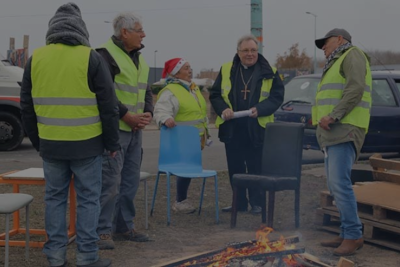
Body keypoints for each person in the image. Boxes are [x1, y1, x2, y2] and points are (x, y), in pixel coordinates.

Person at [20, 3, 120, 267]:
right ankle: (87, 257)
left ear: (52, 29)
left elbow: (26, 107)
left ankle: (55, 257)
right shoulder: (91, 57)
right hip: (87, 146)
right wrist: (112, 143)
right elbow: (108, 106)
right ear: (81, 28)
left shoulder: (36, 59)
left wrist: (38, 141)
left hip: (51, 146)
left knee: (54, 198)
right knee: (88, 200)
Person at [96, 12, 153, 250]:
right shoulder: (104, 57)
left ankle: (124, 226)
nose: (144, 34)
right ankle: (102, 231)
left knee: (130, 181)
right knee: (110, 183)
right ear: (125, 33)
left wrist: (147, 112)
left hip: (135, 130)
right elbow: (104, 94)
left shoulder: (139, 59)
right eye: (139, 30)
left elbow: (145, 90)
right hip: (116, 131)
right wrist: (126, 116)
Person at [209, 34, 284, 214]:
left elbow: (276, 97)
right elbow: (215, 95)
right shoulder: (227, 69)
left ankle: (257, 203)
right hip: (233, 128)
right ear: (238, 52)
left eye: (253, 50)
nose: (250, 54)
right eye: (246, 50)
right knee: (235, 168)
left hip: (256, 128)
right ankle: (239, 202)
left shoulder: (269, 71)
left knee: (255, 167)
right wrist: (223, 109)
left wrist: (261, 108)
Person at [313, 28, 372, 256]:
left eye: (325, 43)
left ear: (340, 39)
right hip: (332, 132)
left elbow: (355, 88)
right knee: (335, 184)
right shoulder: (335, 63)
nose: (323, 48)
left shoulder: (351, 55)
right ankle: (347, 231)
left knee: (340, 183)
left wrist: (335, 115)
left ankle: (354, 235)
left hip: (345, 128)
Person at [154, 58, 209, 213]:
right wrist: (166, 119)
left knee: (189, 169)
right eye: (186, 68)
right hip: (180, 140)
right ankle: (180, 201)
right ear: (176, 72)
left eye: (190, 67)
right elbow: (160, 110)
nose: (190, 70)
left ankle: (182, 200)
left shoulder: (193, 88)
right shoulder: (170, 91)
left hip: (196, 139)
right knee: (185, 169)